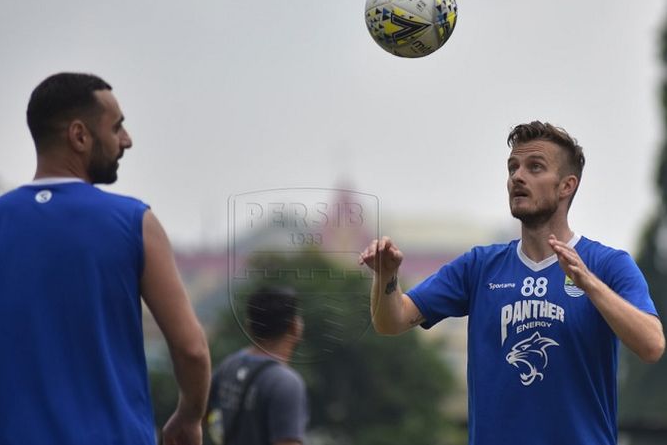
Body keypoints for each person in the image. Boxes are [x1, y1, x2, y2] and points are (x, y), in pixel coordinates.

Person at [359, 121, 665, 445]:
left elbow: (652, 345)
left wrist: (589, 283)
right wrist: (386, 276)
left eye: (535, 167)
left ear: (566, 186)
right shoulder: (478, 266)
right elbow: (390, 321)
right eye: (512, 167)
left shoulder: (608, 264)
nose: (518, 177)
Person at [0, 72, 211, 445]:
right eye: (117, 128)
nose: (126, 140)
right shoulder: (134, 223)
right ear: (79, 136)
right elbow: (191, 349)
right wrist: (189, 416)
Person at [206, 286, 309, 445]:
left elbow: (197, 414)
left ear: (249, 327)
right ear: (294, 326)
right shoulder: (286, 383)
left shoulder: (229, 365)